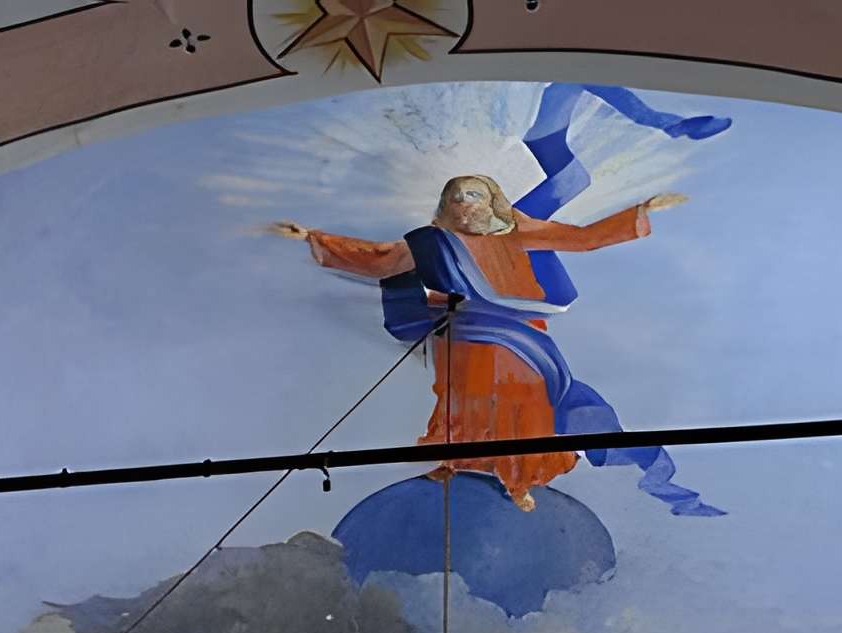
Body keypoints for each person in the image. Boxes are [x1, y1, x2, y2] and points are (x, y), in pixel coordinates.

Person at [270, 175, 696, 512]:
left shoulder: (516, 233)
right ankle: (455, 460)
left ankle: (520, 478)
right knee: (463, 395)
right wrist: (313, 236)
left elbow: (580, 238)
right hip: (465, 331)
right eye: (454, 196)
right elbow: (379, 257)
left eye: (473, 194)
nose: (463, 203)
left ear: (492, 201)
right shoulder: (429, 241)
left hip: (522, 336)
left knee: (524, 402)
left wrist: (640, 212)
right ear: (445, 206)